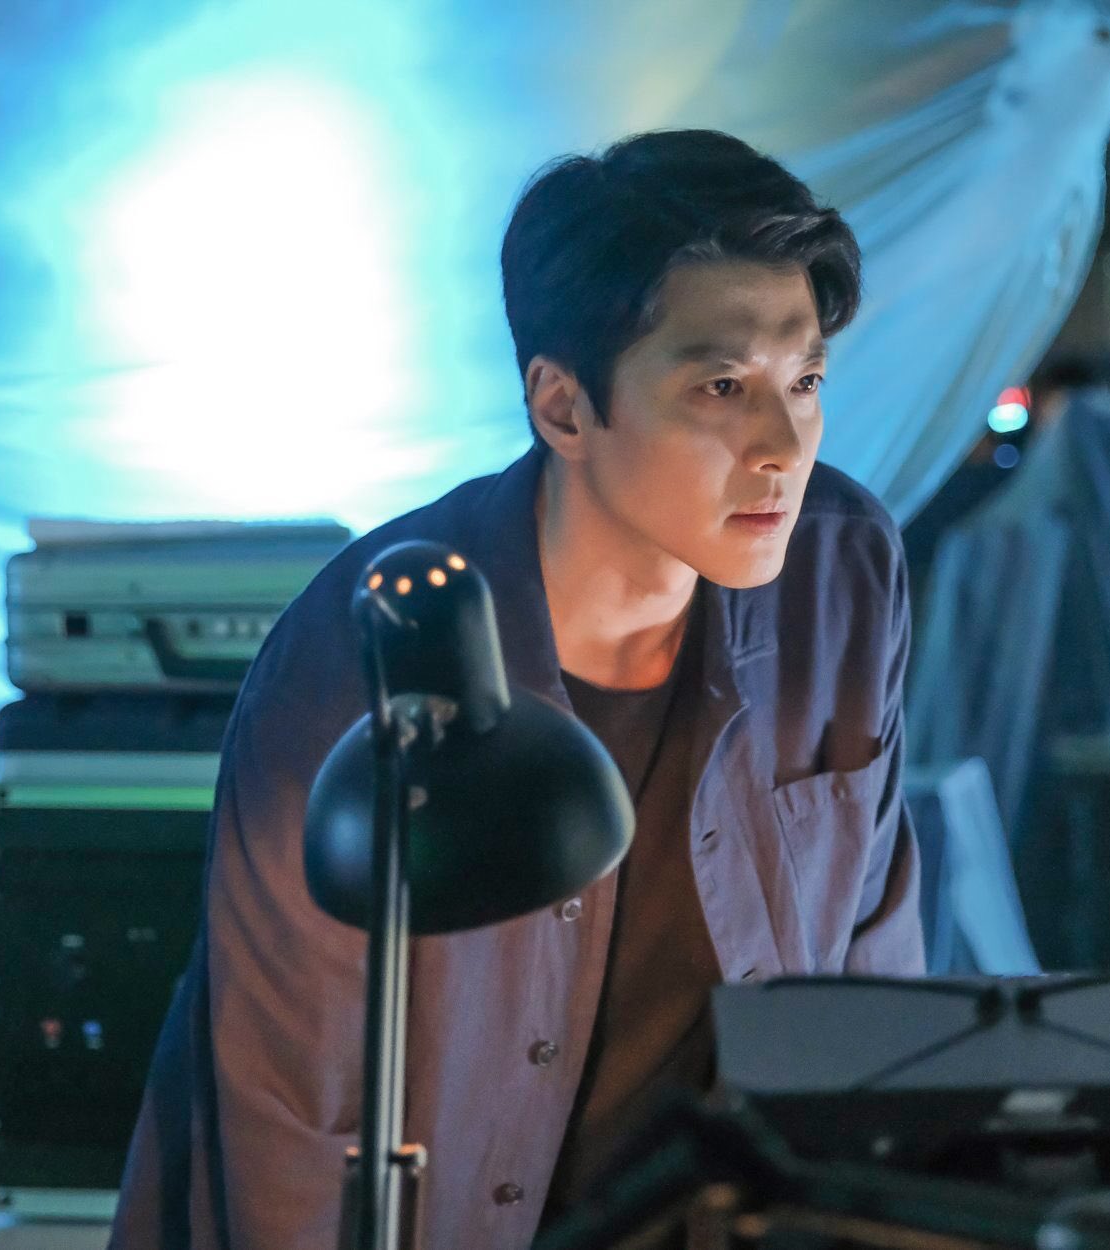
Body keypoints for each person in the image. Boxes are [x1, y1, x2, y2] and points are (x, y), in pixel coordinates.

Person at [109, 128, 924, 1250]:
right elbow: (287, 1107)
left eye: (806, 381)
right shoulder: (366, 654)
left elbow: (876, 978)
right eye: (722, 385)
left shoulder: (842, 576)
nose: (783, 445)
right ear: (564, 408)